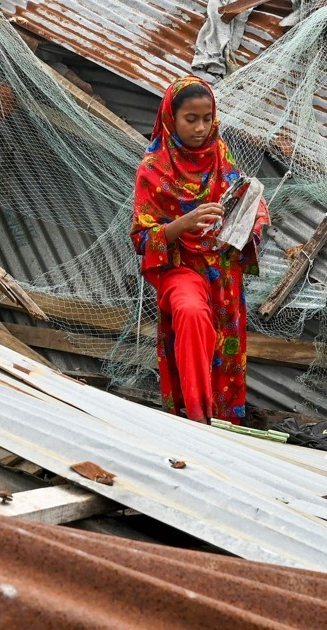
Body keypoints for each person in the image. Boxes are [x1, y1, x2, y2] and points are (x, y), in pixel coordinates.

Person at [131, 76, 269, 424]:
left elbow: (240, 196)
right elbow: (141, 238)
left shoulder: (219, 155)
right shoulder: (153, 169)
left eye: (207, 118)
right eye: (190, 119)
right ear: (170, 118)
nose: (200, 127)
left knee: (223, 348)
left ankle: (223, 423)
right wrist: (183, 223)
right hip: (181, 268)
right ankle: (196, 420)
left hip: (222, 273)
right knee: (191, 314)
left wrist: (255, 214)